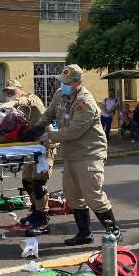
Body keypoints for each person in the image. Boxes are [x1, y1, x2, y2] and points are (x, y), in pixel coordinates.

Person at [30, 64, 121, 246]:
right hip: (71, 153)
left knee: (93, 195)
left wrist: (48, 136)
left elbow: (73, 131)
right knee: (73, 196)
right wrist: (39, 125)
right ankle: (84, 234)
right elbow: (49, 113)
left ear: (77, 82)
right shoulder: (60, 95)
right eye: (61, 82)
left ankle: (114, 232)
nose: (62, 85)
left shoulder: (85, 102)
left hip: (89, 153)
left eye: (66, 83)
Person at [2, 79, 56, 236]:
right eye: (6, 92)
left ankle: (43, 218)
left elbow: (26, 100)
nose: (9, 95)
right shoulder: (18, 109)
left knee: (39, 182)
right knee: (27, 181)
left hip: (45, 145)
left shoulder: (31, 99)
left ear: (20, 89)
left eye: (12, 91)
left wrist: (13, 102)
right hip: (32, 147)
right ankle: (35, 211)